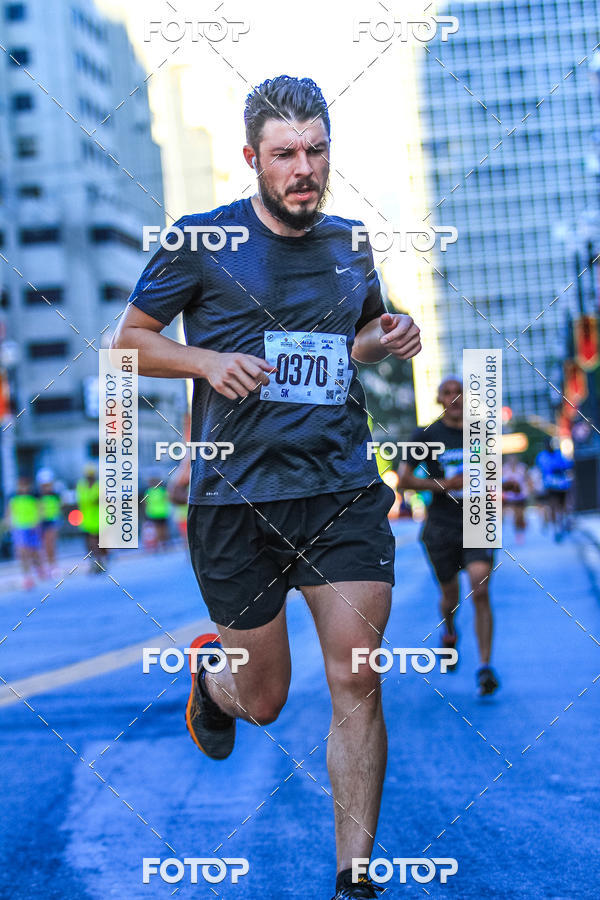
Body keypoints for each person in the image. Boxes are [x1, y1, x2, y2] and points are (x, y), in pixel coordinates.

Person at [113, 75, 421, 900]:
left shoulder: (351, 244)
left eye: (316, 151)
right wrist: (207, 361)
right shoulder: (197, 243)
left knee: (357, 674)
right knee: (267, 699)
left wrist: (391, 336)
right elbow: (129, 343)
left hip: (341, 489)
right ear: (253, 158)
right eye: (285, 153)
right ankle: (214, 681)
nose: (304, 168)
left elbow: (363, 336)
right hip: (235, 500)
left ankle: (355, 877)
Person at [398, 376, 499, 696]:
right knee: (451, 597)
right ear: (439, 399)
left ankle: (484, 667)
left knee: (480, 588)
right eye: (447, 393)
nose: (454, 398)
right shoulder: (425, 435)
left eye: (460, 393)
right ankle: (450, 630)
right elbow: (404, 481)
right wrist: (444, 486)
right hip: (440, 526)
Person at [8, 475, 45, 589]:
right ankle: (27, 577)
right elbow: (9, 513)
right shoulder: (13, 499)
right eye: (21, 485)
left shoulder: (33, 498)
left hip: (32, 527)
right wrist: (10, 525)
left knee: (34, 552)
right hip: (19, 528)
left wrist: (37, 523)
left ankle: (39, 568)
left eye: (25, 485)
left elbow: (40, 511)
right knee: (22, 552)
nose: (23, 488)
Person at [535, 437, 573, 541]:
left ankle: (563, 524)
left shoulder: (559, 454)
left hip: (562, 485)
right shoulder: (542, 456)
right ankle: (556, 529)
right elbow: (540, 471)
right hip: (550, 486)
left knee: (563, 507)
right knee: (553, 507)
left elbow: (567, 466)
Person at [76, 464, 106, 573]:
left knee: (98, 542)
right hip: (87, 519)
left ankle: (100, 561)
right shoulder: (81, 486)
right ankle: (96, 562)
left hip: (99, 519)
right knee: (90, 543)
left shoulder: (98, 486)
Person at [36, 469, 62, 576]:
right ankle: (42, 567)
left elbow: (59, 508)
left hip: (52, 521)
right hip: (41, 522)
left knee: (51, 544)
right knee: (42, 546)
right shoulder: (37, 496)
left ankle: (52, 565)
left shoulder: (55, 495)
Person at [502, 456, 529, 543]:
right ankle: (517, 533)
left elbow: (527, 480)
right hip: (510, 496)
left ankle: (521, 530)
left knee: (521, 515)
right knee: (515, 515)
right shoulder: (504, 469)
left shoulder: (522, 467)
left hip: (521, 496)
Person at [144, 476, 171, 550]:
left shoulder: (149, 492)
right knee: (163, 529)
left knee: (158, 529)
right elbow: (167, 500)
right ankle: (164, 543)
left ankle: (161, 543)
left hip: (154, 513)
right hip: (162, 512)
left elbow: (146, 503)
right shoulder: (162, 491)